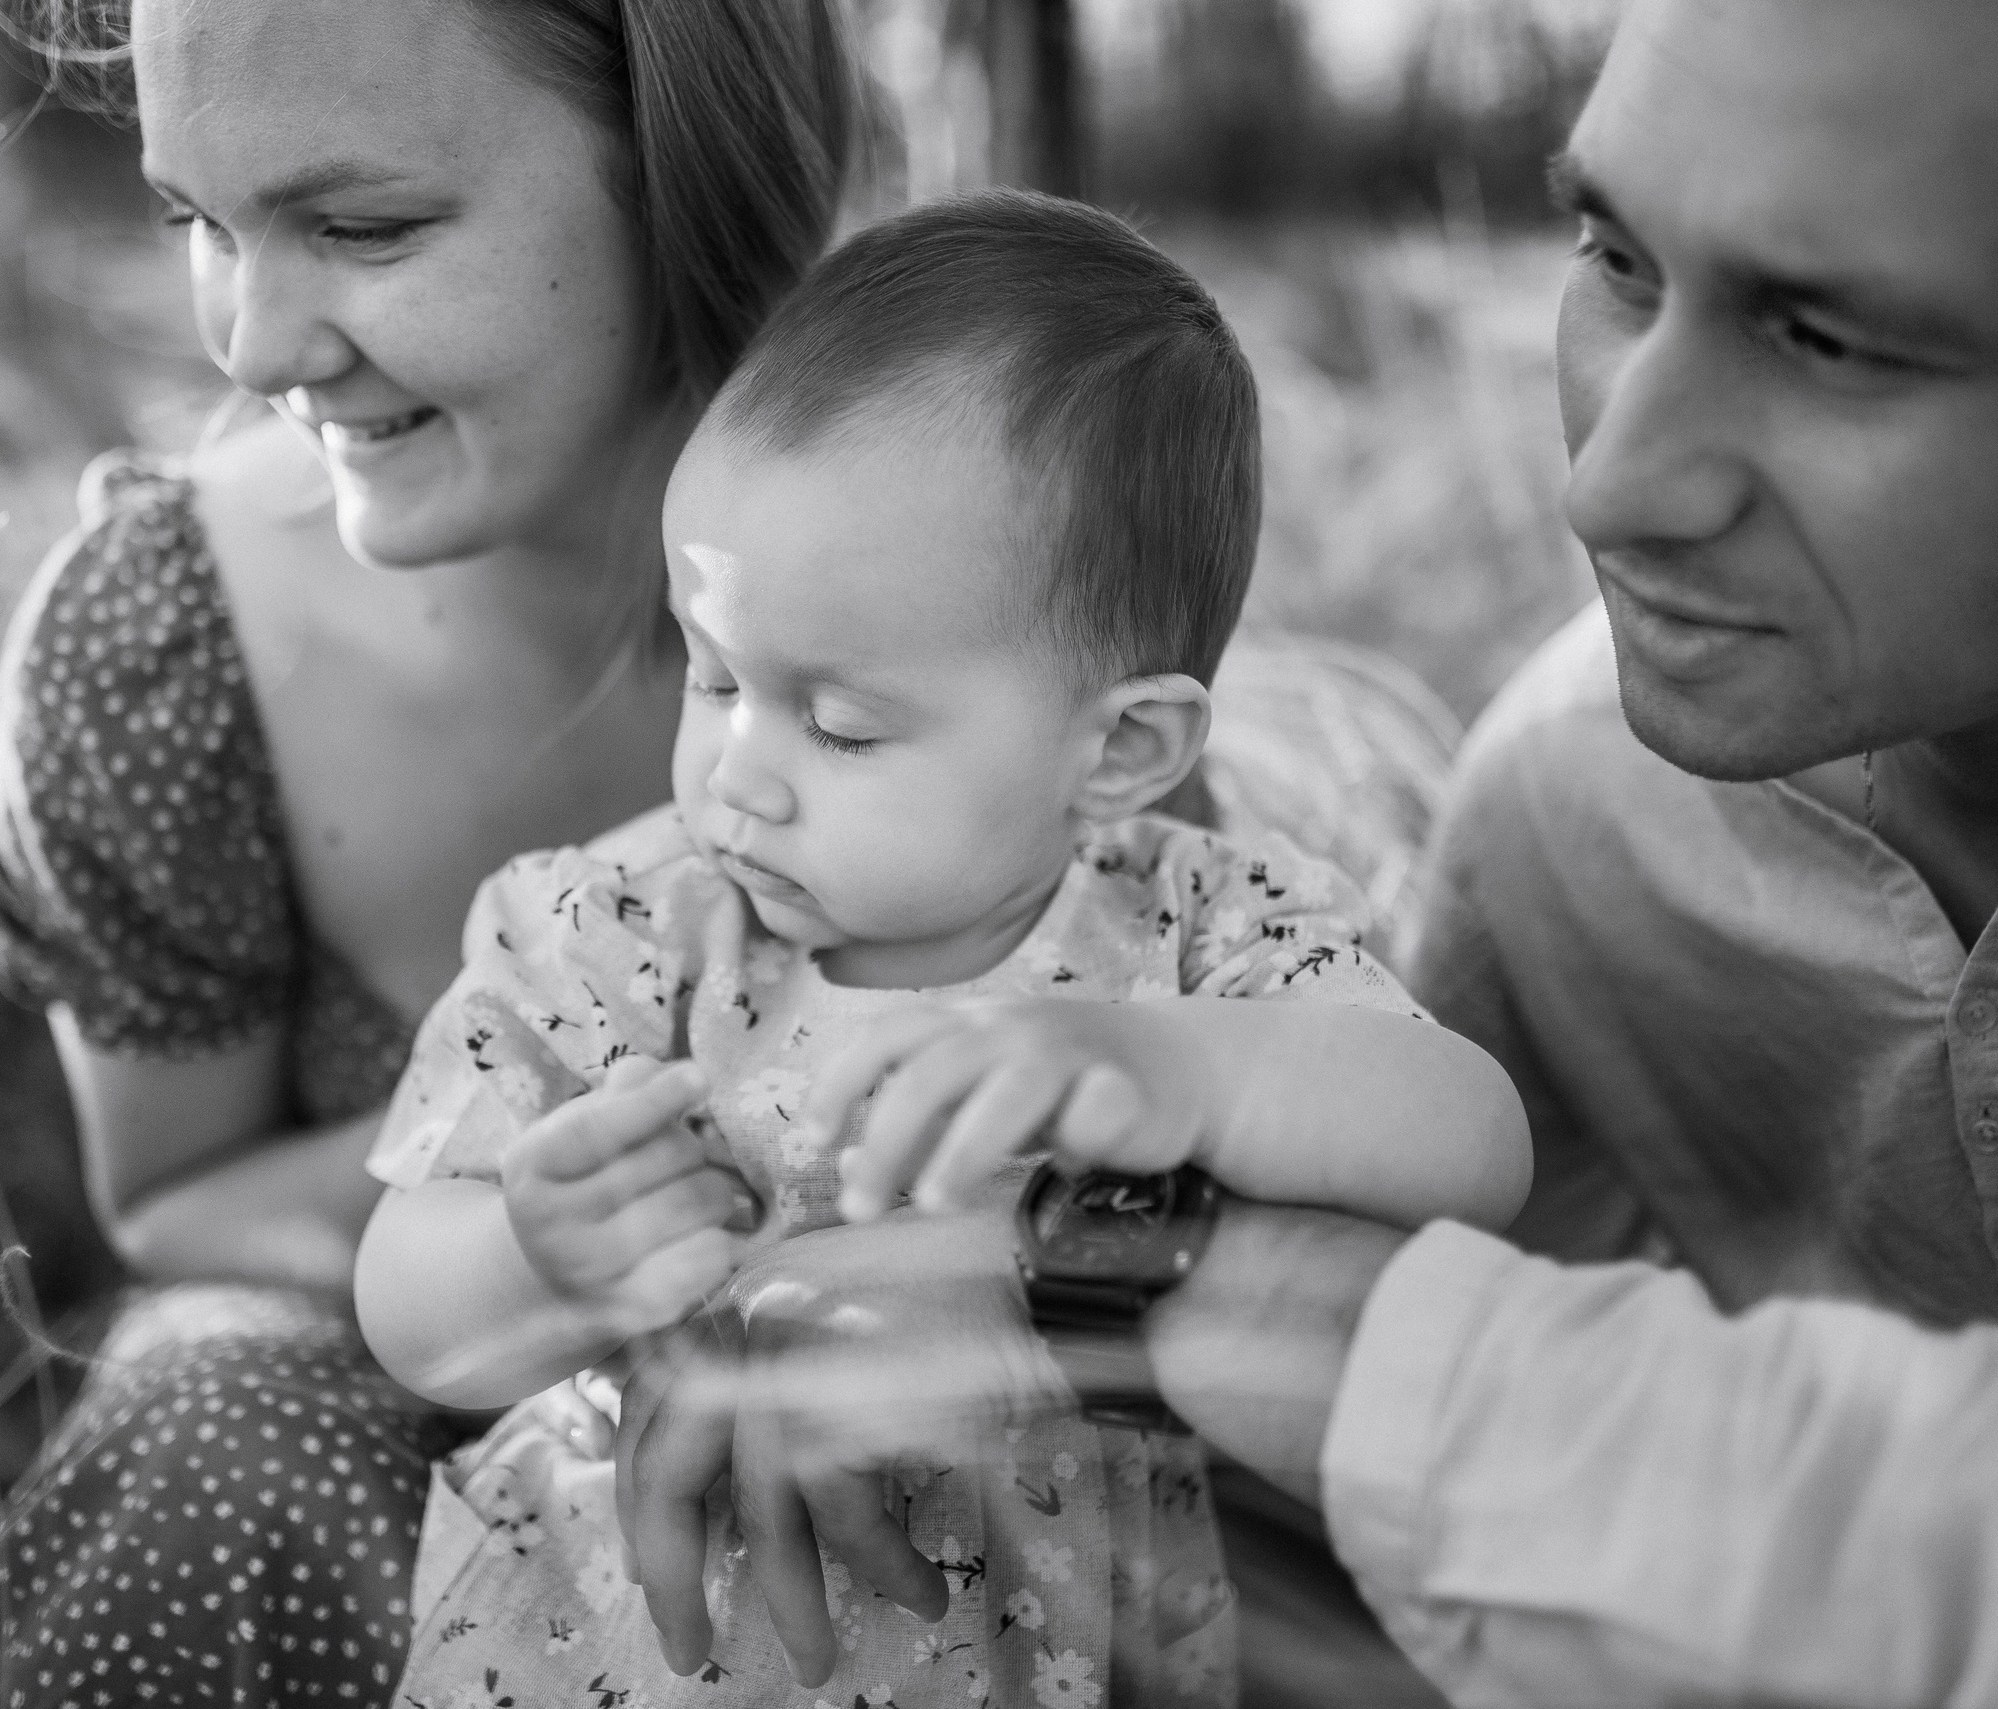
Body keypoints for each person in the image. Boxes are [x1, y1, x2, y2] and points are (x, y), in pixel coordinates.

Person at [622, 1, 1998, 1704]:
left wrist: (1106, 1291)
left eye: (1831, 342)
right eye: (1616, 260)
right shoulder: (1581, 812)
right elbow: (1447, 1547)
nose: (1610, 484)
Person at [353, 194, 1531, 1709]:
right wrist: (533, 1255)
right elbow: (410, 1315)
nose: (741, 775)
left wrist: (1171, 1070)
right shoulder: (631, 930)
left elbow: (1470, 1145)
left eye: (841, 723)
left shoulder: (1192, 937)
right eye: (712, 677)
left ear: (1120, 749)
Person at [0, 1, 856, 1702]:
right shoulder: (171, 644)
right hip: (387, 1413)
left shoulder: (971, 536)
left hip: (898, 1425)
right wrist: (565, 1224)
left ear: (692, 165)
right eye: (197, 223)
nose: (249, 341)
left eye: (362, 228)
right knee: (210, 1417)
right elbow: (172, 1201)